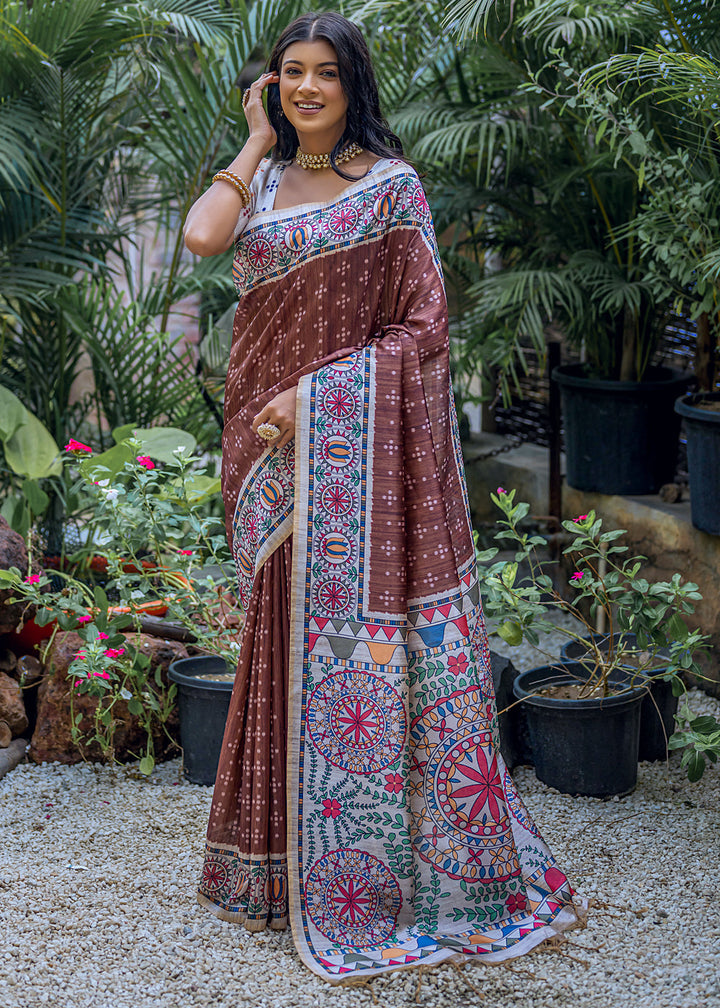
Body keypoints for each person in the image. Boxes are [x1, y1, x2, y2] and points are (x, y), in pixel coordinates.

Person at [183, 9, 582, 984]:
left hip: (346, 455)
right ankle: (270, 868)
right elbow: (200, 239)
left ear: (353, 85)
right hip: (265, 453)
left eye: (325, 73)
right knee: (274, 629)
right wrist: (253, 139)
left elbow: (424, 331)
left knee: (346, 649)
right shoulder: (266, 178)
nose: (308, 87)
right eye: (291, 73)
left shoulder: (393, 192)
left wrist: (314, 397)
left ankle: (371, 875)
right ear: (272, 85)